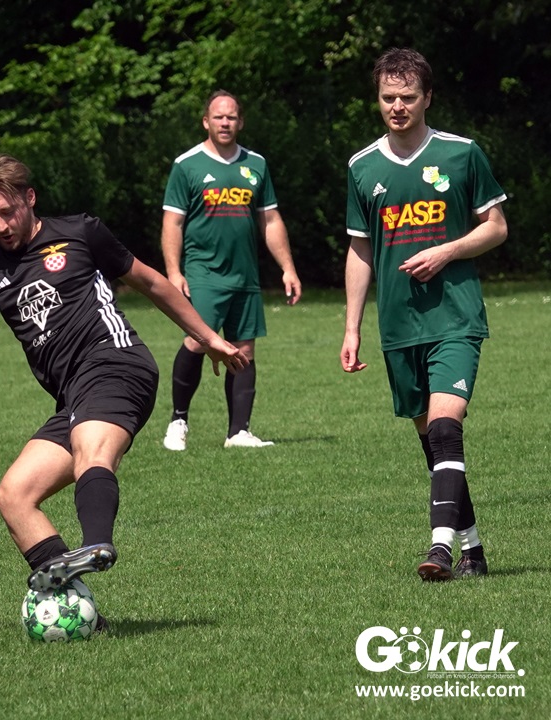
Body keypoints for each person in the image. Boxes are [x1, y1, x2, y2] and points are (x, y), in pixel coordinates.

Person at [0, 155, 246, 603]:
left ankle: (96, 544)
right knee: (14, 495)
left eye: (8, 212)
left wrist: (209, 338)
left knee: (90, 447)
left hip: (117, 363)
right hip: (74, 398)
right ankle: (79, 610)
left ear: (30, 198)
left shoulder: (80, 232)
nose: (0, 226)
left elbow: (151, 283)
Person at [340, 48, 508, 582]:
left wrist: (447, 251)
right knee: (434, 443)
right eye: (388, 97)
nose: (397, 106)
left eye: (408, 97)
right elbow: (360, 250)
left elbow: (496, 226)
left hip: (455, 317)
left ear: (427, 97)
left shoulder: (461, 154)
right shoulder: (362, 167)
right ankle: (473, 552)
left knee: (445, 426)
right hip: (399, 326)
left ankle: (440, 549)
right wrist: (351, 327)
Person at [160, 90, 302, 452]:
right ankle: (178, 421)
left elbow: (270, 220)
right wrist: (174, 271)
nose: (225, 123)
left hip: (245, 275)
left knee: (244, 349)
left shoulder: (256, 165)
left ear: (240, 122)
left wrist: (288, 268)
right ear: (206, 122)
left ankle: (238, 432)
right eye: (218, 117)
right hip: (204, 271)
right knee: (198, 340)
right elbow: (173, 223)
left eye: (232, 117)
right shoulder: (187, 165)